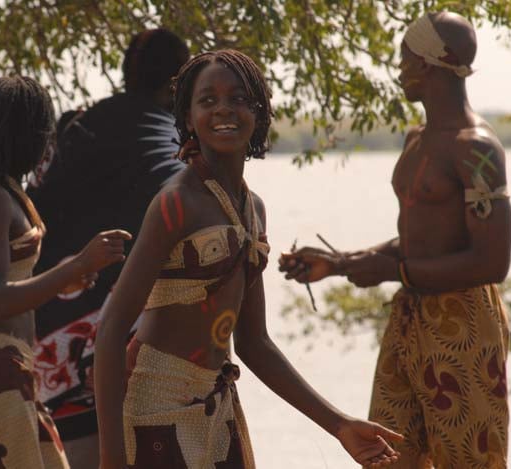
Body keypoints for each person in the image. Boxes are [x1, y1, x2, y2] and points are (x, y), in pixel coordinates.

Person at [94, 49, 403, 469]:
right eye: (208, 100)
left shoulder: (251, 208)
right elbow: (111, 329)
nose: (224, 109)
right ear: (186, 116)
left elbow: (254, 344)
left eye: (239, 99)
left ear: (259, 111)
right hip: (156, 410)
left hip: (216, 405)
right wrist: (112, 457)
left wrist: (340, 425)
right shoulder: (176, 204)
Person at [280, 12, 511, 468]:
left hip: (463, 325)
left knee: (468, 461)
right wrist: (340, 263)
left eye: (405, 56)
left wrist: (394, 272)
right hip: (410, 319)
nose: (399, 68)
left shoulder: (476, 148)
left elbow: (492, 261)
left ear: (429, 63)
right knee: (387, 456)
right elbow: (418, 242)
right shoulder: (416, 139)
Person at [0, 76, 131, 469]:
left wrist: (62, 277)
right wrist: (80, 264)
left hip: (4, 367)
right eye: (43, 134)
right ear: (22, 137)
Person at [26, 28, 189, 468]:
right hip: (123, 354)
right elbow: (177, 194)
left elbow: (29, 216)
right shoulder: (168, 141)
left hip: (50, 354)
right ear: (178, 84)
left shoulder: (74, 129)